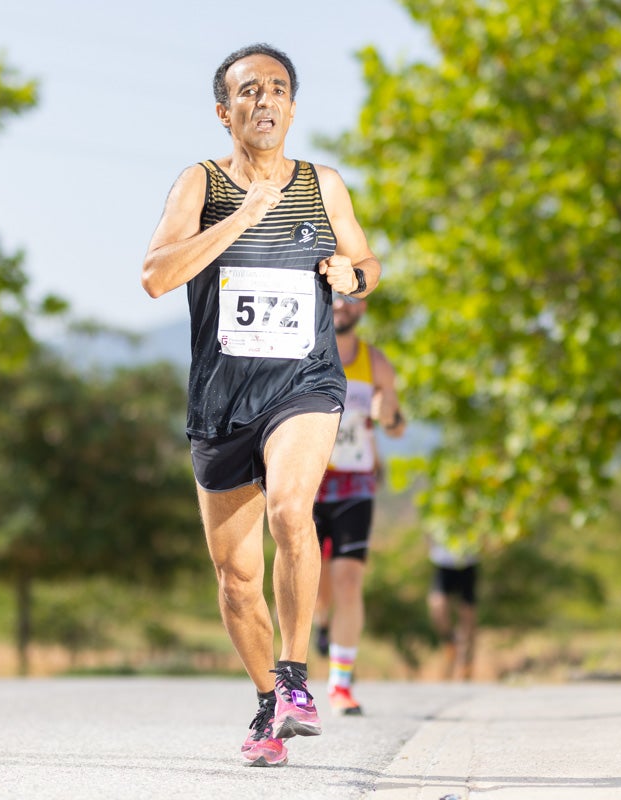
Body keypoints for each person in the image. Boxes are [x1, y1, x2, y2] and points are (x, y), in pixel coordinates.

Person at [140, 43, 381, 768]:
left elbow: (368, 266)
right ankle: (266, 701)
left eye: (278, 88)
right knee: (236, 578)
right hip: (221, 398)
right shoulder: (202, 184)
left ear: (293, 107)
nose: (265, 100)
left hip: (304, 384)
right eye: (249, 91)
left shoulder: (322, 184)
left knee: (289, 510)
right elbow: (155, 276)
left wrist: (353, 274)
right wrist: (241, 220)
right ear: (226, 111)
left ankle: (297, 677)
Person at [311, 293, 406, 715]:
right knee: (312, 581)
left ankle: (340, 685)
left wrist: (389, 415)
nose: (341, 305)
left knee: (348, 579)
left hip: (354, 485)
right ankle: (321, 621)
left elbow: (397, 426)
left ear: (362, 307)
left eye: (351, 298)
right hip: (306, 483)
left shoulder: (376, 363)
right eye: (334, 296)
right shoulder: (304, 353)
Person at [427, 533, 480, 681]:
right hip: (443, 562)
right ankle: (450, 643)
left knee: (468, 613)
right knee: (438, 606)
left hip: (468, 560)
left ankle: (466, 661)